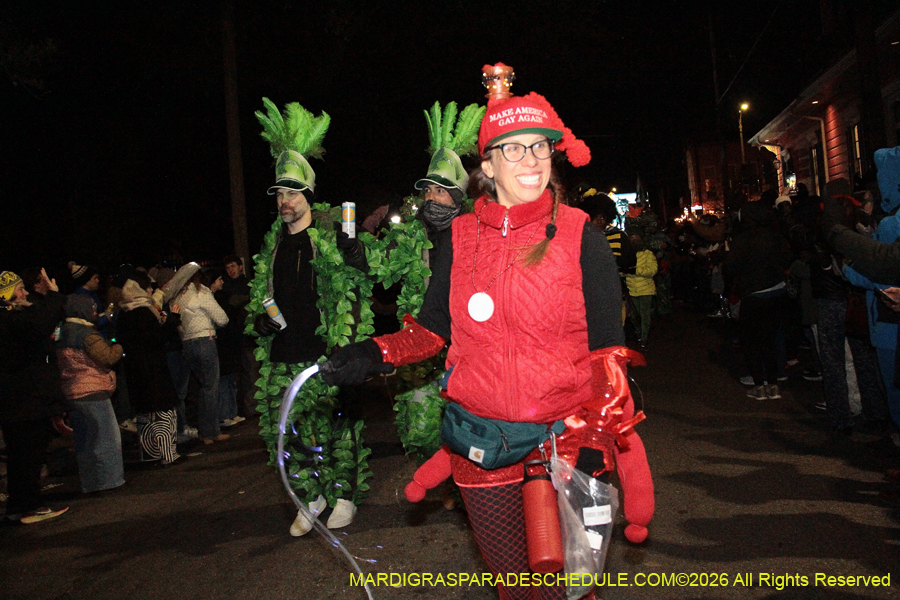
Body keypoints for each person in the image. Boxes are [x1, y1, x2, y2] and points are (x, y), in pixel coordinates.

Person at [318, 65, 654, 600]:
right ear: (488, 164)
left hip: (565, 443)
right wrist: (373, 352)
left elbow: (606, 349)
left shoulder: (579, 237)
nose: (531, 161)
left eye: (540, 148)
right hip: (483, 441)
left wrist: (592, 437)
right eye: (514, 149)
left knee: (570, 590)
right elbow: (430, 330)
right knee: (515, 588)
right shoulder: (459, 238)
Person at [251, 98, 359, 535]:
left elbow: (357, 286)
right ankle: (309, 495)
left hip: (324, 351)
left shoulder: (331, 238)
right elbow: (262, 298)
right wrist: (258, 322)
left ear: (308, 196)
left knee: (335, 428)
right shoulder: (271, 246)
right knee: (290, 433)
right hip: (283, 354)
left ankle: (344, 495)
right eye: (279, 193)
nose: (284, 201)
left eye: (292, 193)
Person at [0, 269, 70, 523]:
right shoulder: (10, 319)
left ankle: (18, 506)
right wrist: (53, 295)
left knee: (21, 454)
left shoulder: (12, 318)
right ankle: (29, 505)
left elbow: (36, 318)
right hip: (24, 399)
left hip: (17, 399)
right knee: (28, 453)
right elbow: (40, 323)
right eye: (19, 289)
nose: (25, 292)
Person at [55, 294, 126, 493]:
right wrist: (118, 346)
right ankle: (110, 480)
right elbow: (107, 357)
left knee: (84, 441)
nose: (95, 313)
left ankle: (90, 483)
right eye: (92, 309)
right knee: (107, 438)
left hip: (72, 391)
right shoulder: (86, 334)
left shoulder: (61, 333)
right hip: (93, 390)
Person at [724, 202, 792, 401]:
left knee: (751, 341)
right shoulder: (776, 236)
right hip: (777, 293)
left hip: (753, 295)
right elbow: (787, 259)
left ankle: (759, 385)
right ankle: (773, 385)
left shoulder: (742, 239)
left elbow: (730, 268)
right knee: (769, 340)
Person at [116, 273, 184, 466]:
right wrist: (173, 319)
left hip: (134, 371)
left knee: (145, 413)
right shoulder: (144, 313)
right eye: (148, 288)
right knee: (164, 411)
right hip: (154, 368)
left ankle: (149, 454)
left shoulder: (123, 314)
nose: (151, 291)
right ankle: (168, 454)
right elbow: (158, 338)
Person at [171, 265, 229, 444]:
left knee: (200, 387)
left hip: (187, 343)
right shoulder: (202, 293)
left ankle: (201, 431)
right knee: (210, 387)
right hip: (205, 339)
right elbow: (222, 318)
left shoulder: (177, 297)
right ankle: (210, 431)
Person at [625, 234, 658, 349]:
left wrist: (636, 271)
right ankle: (639, 332)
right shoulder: (627, 254)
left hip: (645, 289)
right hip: (632, 289)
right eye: (632, 239)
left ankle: (644, 337)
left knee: (644, 314)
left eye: (637, 239)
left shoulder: (648, 254)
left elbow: (652, 270)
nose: (634, 241)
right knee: (634, 316)